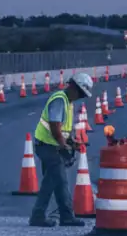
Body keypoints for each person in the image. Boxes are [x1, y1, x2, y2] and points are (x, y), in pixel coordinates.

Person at [30, 71, 93, 227]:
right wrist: (63, 144)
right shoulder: (60, 100)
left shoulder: (67, 102)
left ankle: (59, 216)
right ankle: (54, 216)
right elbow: (55, 126)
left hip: (49, 145)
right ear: (73, 87)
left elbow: (63, 130)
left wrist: (72, 143)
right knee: (58, 181)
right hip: (47, 146)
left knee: (54, 181)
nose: (81, 97)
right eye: (81, 93)